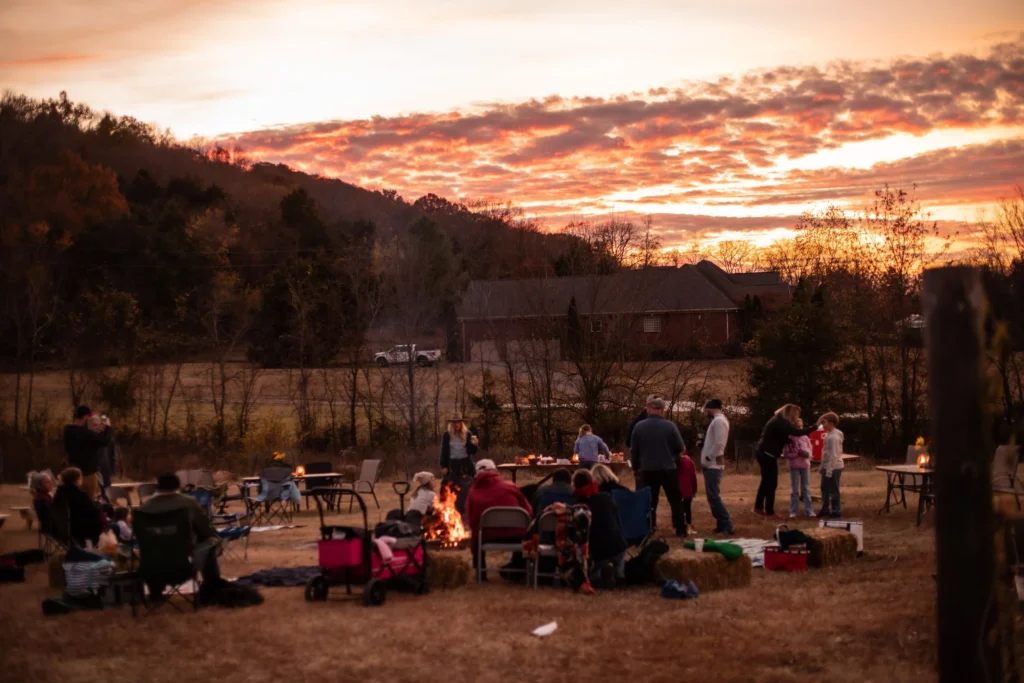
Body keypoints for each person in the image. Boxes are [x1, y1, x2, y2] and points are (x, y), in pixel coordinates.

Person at [137, 473, 222, 600]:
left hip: (151, 566)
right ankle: (212, 588)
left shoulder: (144, 509)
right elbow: (204, 529)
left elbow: (140, 538)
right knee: (211, 541)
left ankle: (155, 591)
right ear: (177, 486)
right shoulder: (188, 503)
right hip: (183, 565)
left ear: (158, 487)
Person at [465, 459, 533, 581]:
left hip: (487, 536)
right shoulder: (511, 487)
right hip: (517, 535)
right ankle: (519, 568)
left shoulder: (473, 493)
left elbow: (472, 521)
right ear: (495, 471)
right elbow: (528, 511)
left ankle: (481, 573)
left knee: (477, 533)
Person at [629, 396, 687, 536]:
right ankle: (680, 528)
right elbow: (679, 447)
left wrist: (635, 468)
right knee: (675, 499)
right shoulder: (670, 426)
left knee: (650, 500)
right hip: (668, 468)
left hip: (647, 469)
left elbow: (634, 450)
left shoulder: (639, 427)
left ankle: (649, 527)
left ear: (649, 409)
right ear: (662, 410)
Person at [753, 404, 819, 520]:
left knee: (766, 481)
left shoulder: (776, 420)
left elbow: (780, 436)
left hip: (763, 452)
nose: (796, 417)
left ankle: (758, 507)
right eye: (796, 415)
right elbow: (797, 433)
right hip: (768, 454)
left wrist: (788, 441)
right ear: (791, 413)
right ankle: (769, 512)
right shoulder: (781, 422)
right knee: (772, 483)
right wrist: (815, 427)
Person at [572, 469, 627, 589]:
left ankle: (598, 577)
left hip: (598, 552)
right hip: (619, 546)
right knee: (618, 555)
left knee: (593, 572)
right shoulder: (606, 497)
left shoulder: (578, 505)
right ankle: (620, 575)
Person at [63, 405, 112, 500]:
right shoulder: (84, 433)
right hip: (87, 474)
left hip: (72, 473)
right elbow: (103, 440)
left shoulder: (68, 430)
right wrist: (108, 428)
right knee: (89, 502)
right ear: (85, 417)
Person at [700, 399, 734, 534]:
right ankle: (721, 524)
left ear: (712, 408)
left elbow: (720, 443)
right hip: (713, 462)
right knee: (712, 495)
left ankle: (726, 524)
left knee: (714, 496)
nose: (705, 412)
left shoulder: (719, 421)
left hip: (713, 463)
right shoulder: (717, 421)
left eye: (706, 409)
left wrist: (709, 456)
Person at [52, 467, 104, 548]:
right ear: (77, 480)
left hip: (64, 528)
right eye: (81, 478)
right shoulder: (79, 494)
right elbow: (94, 511)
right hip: (79, 529)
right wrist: (99, 505)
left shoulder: (59, 493)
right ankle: (91, 548)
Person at [783, 418, 815, 519]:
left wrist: (807, 455)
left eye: (800, 427)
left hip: (805, 465)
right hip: (794, 466)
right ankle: (793, 511)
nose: (799, 429)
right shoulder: (789, 439)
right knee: (795, 489)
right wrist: (796, 454)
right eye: (797, 427)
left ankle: (809, 511)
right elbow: (786, 454)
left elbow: (810, 450)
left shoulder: (805, 437)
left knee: (806, 488)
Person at [818, 412, 845, 518]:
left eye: (824, 422)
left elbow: (834, 455)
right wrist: (822, 467)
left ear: (831, 422)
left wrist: (829, 470)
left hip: (834, 467)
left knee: (833, 490)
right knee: (824, 488)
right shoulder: (829, 434)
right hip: (826, 466)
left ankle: (836, 511)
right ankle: (825, 509)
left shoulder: (834, 436)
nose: (822, 425)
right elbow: (825, 453)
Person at [440, 414, 479, 480]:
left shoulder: (468, 434)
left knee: (468, 486)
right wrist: (443, 466)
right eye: (454, 422)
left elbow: (472, 451)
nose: (456, 424)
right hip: (452, 464)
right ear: (452, 424)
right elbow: (444, 451)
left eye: (458, 422)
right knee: (452, 487)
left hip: (466, 464)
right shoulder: (447, 435)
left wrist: (475, 445)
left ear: (461, 423)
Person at [677, 451, 698, 534]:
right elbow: (693, 477)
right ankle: (688, 525)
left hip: (677, 490)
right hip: (688, 490)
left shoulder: (674, 462)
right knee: (687, 508)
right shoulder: (690, 461)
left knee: (678, 509)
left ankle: (676, 526)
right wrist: (694, 490)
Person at [98, 414, 117, 491]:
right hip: (96, 470)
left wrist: (112, 469)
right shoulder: (94, 437)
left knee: (107, 491)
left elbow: (112, 456)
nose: (102, 426)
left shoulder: (110, 440)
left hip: (106, 469)